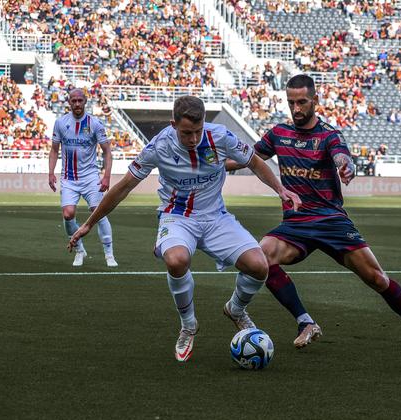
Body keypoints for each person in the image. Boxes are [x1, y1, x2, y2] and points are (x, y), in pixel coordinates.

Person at [68, 95, 301, 362]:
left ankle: (236, 310)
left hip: (215, 217)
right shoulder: (158, 146)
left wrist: (280, 190)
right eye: (186, 133)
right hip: (177, 217)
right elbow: (123, 188)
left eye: (198, 131)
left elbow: (255, 163)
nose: (193, 139)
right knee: (177, 260)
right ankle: (189, 325)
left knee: (259, 265)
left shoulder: (221, 137)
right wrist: (89, 223)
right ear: (173, 124)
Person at [227, 74, 401, 350]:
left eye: (302, 102)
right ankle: (305, 321)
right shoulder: (278, 134)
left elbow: (341, 155)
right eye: (291, 102)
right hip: (296, 223)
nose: (296, 109)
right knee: (261, 257)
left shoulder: (329, 135)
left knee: (377, 279)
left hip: (332, 221)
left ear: (315, 100)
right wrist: (209, 166)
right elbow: (247, 158)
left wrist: (346, 166)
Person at [48, 88, 118, 267]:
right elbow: (54, 150)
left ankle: (109, 254)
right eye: (74, 101)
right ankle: (79, 250)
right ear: (69, 102)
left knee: (98, 212)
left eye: (80, 100)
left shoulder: (95, 124)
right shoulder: (61, 123)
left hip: (90, 177)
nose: (77, 104)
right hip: (69, 178)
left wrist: (106, 176)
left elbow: (107, 152)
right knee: (68, 214)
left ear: (85, 101)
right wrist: (50, 172)